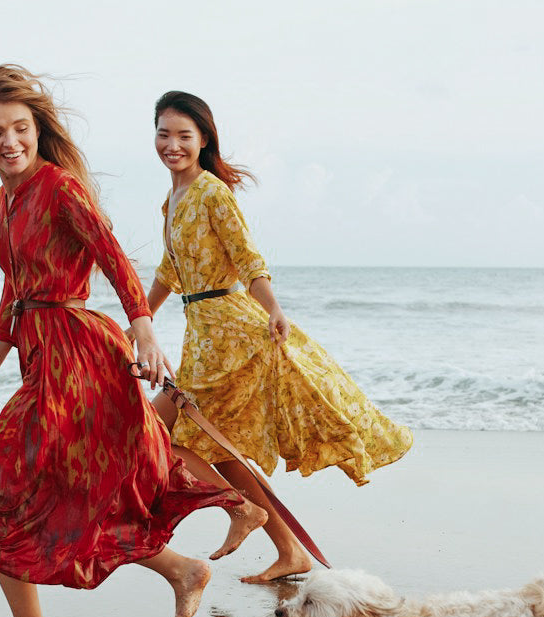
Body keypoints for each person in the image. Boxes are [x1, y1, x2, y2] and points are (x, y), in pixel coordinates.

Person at [0, 66, 266, 617]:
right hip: (41, 356)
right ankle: (178, 571)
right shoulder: (5, 198)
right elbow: (12, 291)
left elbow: (114, 260)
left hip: (80, 354)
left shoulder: (59, 188)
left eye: (19, 128)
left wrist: (144, 331)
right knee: (74, 486)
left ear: (37, 131)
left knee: (4, 488)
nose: (8, 141)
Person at [145, 91, 414, 583]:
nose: (173, 144)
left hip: (230, 331)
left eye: (184, 135)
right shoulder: (172, 199)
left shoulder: (211, 192)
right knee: (214, 445)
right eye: (164, 133)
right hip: (203, 334)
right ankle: (288, 548)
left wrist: (273, 308)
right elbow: (169, 269)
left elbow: (248, 258)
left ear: (204, 140)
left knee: (167, 435)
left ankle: (241, 509)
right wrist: (139, 319)